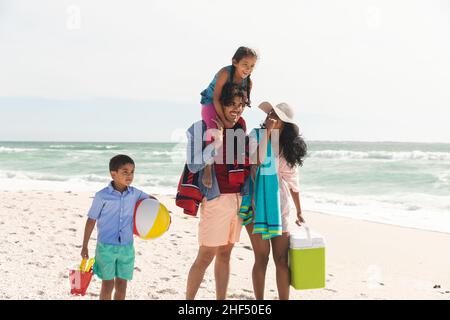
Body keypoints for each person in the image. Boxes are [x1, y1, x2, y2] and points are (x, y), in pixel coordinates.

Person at [181, 83, 250, 300]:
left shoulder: (241, 127)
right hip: (215, 199)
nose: (237, 109)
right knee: (205, 255)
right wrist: (217, 141)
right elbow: (193, 165)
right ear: (220, 104)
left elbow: (243, 162)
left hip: (238, 198)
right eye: (232, 104)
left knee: (226, 254)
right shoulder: (200, 128)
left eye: (241, 105)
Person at [240, 102, 308, 300]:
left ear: (284, 124)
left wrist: (299, 211)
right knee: (261, 258)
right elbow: (256, 160)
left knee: (281, 260)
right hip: (255, 204)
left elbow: (293, 182)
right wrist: (267, 133)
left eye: (276, 116)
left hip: (280, 207)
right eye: (270, 113)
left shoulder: (287, 147)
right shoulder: (255, 135)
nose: (271, 117)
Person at [80, 155, 151, 300]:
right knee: (107, 285)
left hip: (126, 247)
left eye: (132, 172)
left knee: (122, 285)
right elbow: (91, 220)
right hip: (105, 248)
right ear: (113, 174)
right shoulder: (102, 196)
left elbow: (151, 202)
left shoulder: (135, 193)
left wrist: (163, 217)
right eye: (125, 172)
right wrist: (85, 246)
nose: (129, 175)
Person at [200, 46, 258, 189]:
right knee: (214, 130)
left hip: (231, 107)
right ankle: (207, 168)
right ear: (234, 62)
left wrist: (234, 119)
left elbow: (243, 103)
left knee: (239, 127)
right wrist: (225, 121)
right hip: (211, 103)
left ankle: (237, 169)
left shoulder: (248, 82)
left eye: (252, 66)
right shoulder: (225, 73)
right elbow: (216, 99)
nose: (248, 69)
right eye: (245, 65)